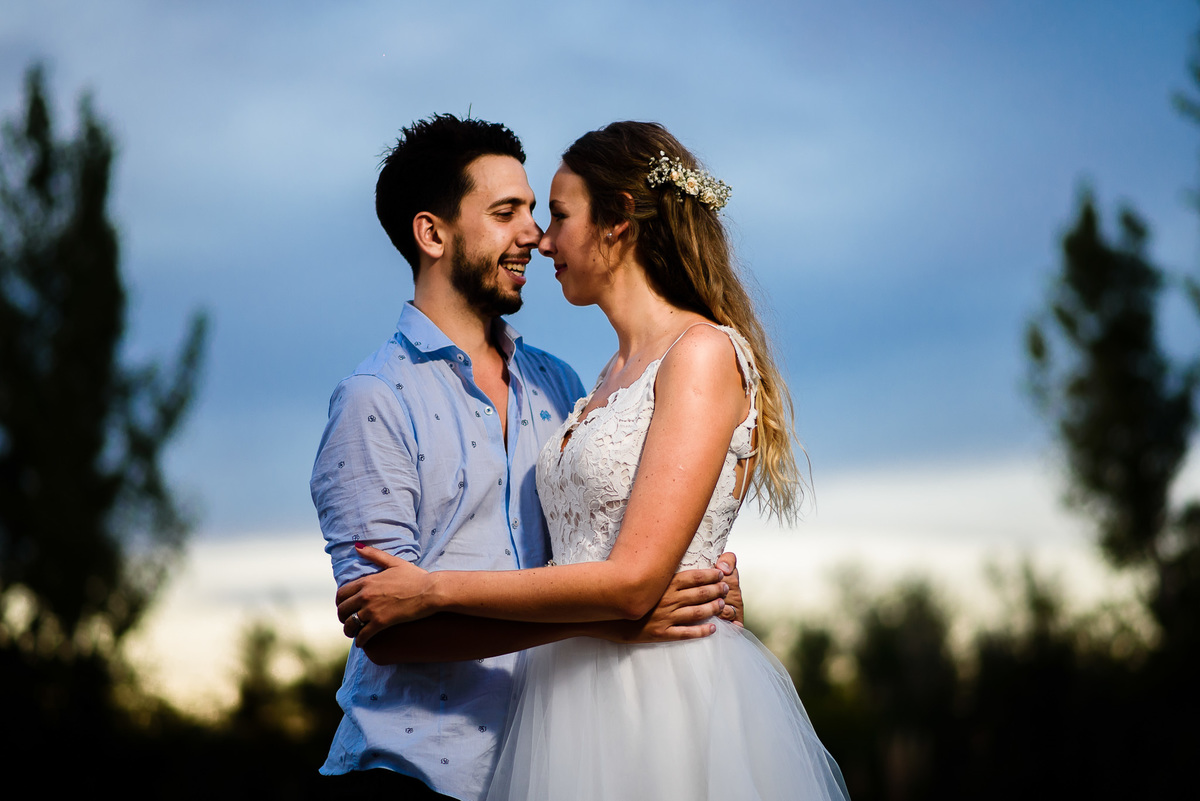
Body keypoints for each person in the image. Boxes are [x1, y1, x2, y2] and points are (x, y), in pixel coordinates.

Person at [339, 121, 850, 800]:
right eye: (514, 214)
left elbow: (636, 572)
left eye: (553, 214)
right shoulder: (594, 382)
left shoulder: (661, 361)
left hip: (658, 697)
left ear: (618, 225)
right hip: (545, 711)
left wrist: (434, 587)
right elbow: (603, 562)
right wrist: (628, 603)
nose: (540, 238)